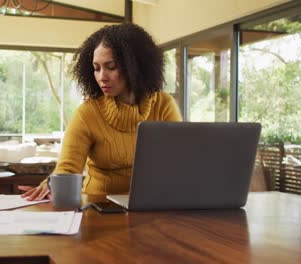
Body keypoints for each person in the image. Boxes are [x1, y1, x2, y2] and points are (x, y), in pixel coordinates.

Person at [19, 23, 182, 200]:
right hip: (98, 206)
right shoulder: (88, 113)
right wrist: (51, 185)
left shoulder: (163, 104)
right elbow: (68, 168)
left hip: (151, 204)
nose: (102, 77)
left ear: (135, 66)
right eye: (96, 68)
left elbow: (178, 162)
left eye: (111, 67)